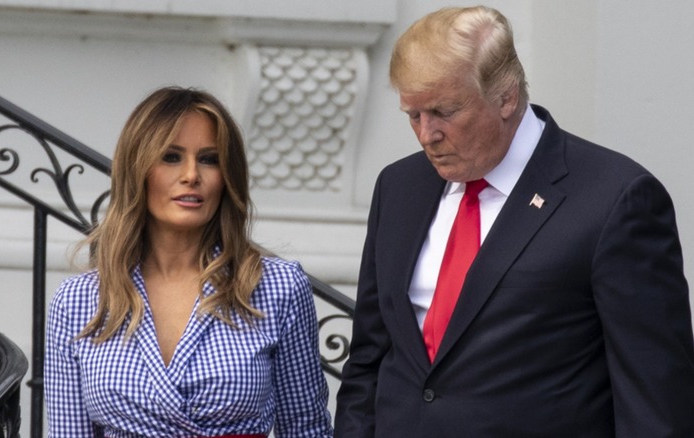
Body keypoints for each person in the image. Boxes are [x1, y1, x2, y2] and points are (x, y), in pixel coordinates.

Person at [335, 5, 694, 437]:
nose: (426, 134)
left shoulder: (615, 200)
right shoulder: (399, 186)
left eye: (444, 112)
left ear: (505, 97)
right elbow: (369, 360)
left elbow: (654, 398)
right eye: (413, 115)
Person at [44, 86, 333, 437]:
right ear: (137, 170)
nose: (192, 175)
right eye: (171, 157)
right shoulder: (78, 301)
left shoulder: (277, 287)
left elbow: (307, 429)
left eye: (210, 159)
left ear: (228, 178)